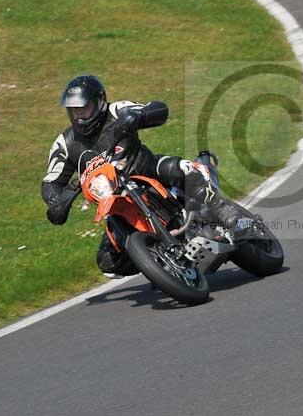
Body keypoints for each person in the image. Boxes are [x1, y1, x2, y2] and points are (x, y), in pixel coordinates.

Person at [41, 75, 241, 279]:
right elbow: (51, 181)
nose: (79, 117)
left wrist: (140, 116)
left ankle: (223, 211)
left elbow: (157, 109)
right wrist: (55, 200)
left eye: (84, 109)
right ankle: (158, 262)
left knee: (182, 170)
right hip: (115, 199)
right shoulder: (64, 143)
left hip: (148, 170)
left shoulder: (117, 110)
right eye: (74, 111)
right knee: (108, 261)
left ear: (100, 102)